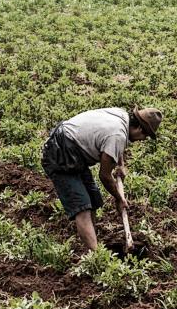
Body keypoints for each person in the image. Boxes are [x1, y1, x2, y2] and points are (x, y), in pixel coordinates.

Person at [41, 106, 162, 251]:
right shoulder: (118, 136)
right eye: (145, 136)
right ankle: (98, 259)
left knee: (94, 200)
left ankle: (92, 245)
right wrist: (119, 199)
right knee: (82, 206)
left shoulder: (122, 116)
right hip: (60, 152)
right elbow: (104, 176)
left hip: (74, 149)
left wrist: (120, 165)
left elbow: (116, 144)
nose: (143, 140)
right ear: (140, 130)